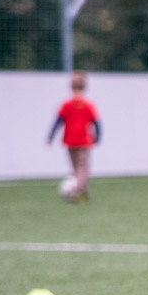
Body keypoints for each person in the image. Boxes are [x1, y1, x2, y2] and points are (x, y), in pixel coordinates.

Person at [46, 70, 100, 201]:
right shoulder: (88, 105)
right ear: (85, 86)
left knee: (76, 169)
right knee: (83, 169)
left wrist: (51, 137)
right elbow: (97, 123)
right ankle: (78, 191)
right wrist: (98, 137)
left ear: (71, 86)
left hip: (70, 141)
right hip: (84, 141)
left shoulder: (66, 104)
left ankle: (82, 192)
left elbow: (57, 121)